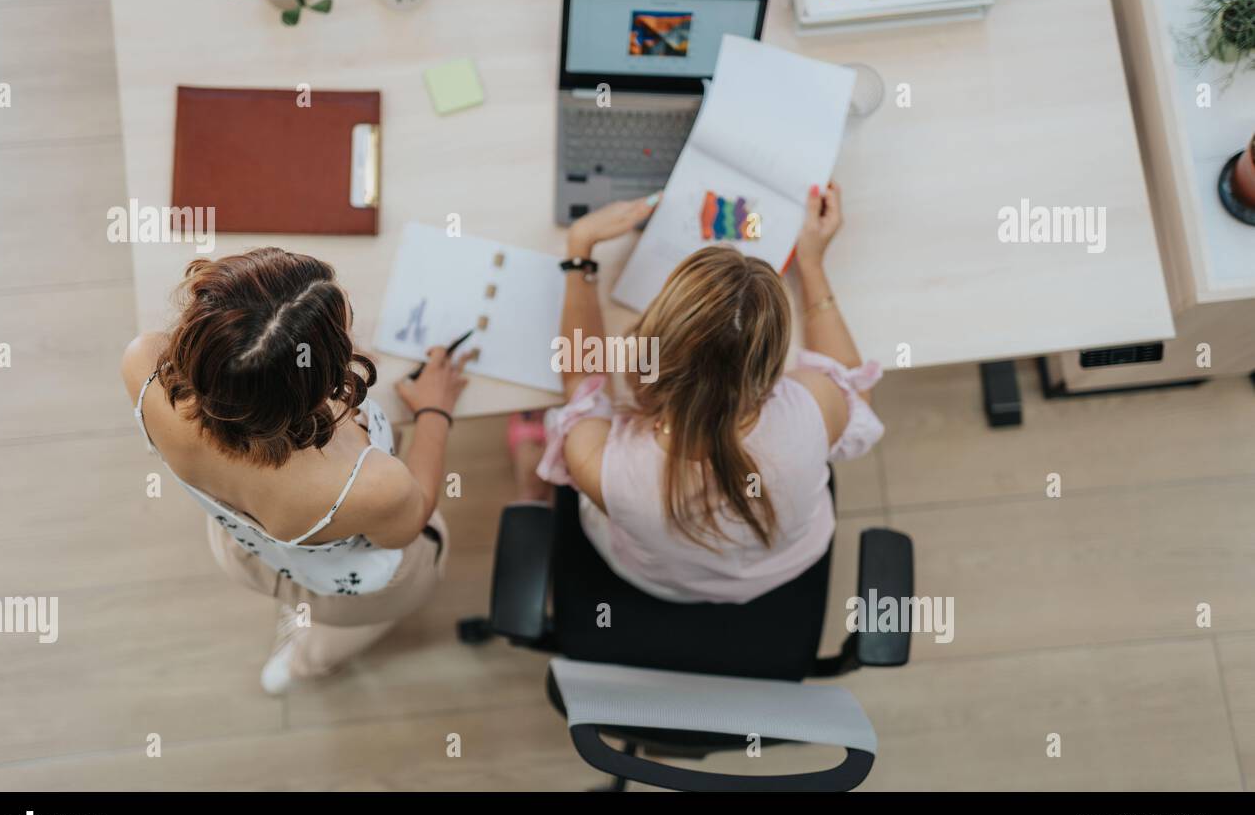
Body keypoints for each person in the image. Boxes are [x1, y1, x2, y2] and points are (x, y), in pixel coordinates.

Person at [120, 248, 473, 694]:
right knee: (336, 631)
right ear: (321, 384)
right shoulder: (370, 485)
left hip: (245, 547)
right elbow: (411, 517)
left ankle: (298, 635)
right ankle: (305, 663)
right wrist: (436, 410)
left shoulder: (144, 364)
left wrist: (287, 351)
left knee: (294, 585)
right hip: (348, 585)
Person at [533, 182, 884, 603]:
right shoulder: (810, 408)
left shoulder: (608, 466)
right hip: (784, 563)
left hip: (657, 579)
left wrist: (580, 250)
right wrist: (810, 263)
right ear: (773, 371)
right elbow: (854, 390)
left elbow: (581, 382)